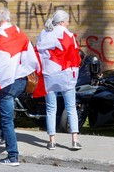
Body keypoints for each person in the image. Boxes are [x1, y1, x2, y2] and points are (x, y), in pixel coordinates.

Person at [0, 7, 39, 166]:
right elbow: (31, 58)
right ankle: (3, 134)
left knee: (7, 119)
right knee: (5, 111)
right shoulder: (21, 34)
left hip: (8, 82)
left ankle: (13, 156)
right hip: (22, 80)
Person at [34, 9, 82, 150]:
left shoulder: (44, 33)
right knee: (71, 107)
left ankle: (52, 140)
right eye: (67, 21)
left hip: (49, 75)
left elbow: (37, 53)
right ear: (61, 22)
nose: (68, 23)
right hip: (66, 75)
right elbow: (75, 56)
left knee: (50, 109)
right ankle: (74, 140)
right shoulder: (68, 34)